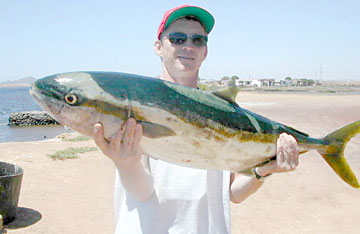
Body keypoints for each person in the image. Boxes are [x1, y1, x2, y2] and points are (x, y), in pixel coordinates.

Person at [93, 5, 299, 234]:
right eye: (178, 38)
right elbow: (142, 193)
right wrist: (126, 163)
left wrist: (265, 171)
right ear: (158, 47)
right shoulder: (138, 104)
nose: (188, 46)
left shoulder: (222, 112)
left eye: (198, 40)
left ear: (205, 51)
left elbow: (232, 193)